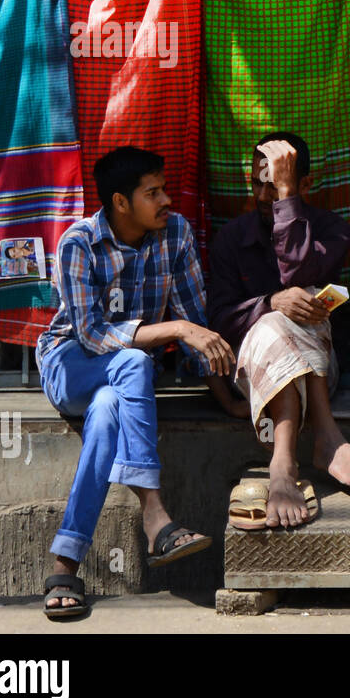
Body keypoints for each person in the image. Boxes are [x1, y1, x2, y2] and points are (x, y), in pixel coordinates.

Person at [36, 147, 233, 619]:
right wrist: (178, 330)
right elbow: (92, 335)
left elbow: (194, 322)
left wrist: (227, 400)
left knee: (107, 412)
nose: (166, 199)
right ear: (121, 202)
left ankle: (65, 563)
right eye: (154, 192)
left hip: (118, 382)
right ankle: (155, 514)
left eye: (164, 189)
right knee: (134, 364)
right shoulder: (78, 243)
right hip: (69, 364)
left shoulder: (177, 233)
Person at [209, 133, 350, 527]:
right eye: (257, 183)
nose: (261, 196)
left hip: (321, 368)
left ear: (304, 185)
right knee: (275, 318)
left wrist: (286, 200)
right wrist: (270, 303)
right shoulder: (230, 239)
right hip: (251, 377)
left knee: (303, 297)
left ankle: (283, 465)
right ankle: (320, 443)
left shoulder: (333, 230)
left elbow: (300, 274)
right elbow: (220, 322)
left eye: (274, 186)